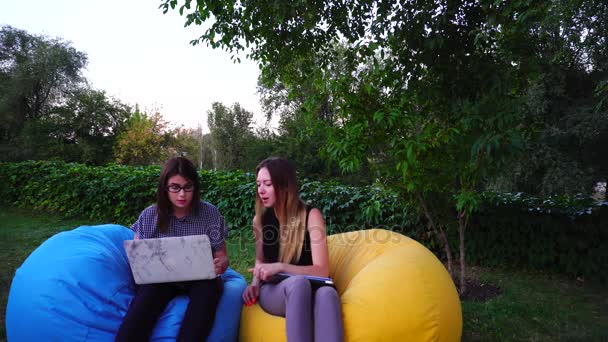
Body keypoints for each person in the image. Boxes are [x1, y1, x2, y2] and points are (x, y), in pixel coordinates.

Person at [116, 157, 229, 342]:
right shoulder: (150, 215)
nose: (182, 194)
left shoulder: (210, 213)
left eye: (188, 187)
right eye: (175, 187)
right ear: (165, 188)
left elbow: (222, 256)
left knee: (209, 291)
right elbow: (139, 258)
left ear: (195, 187)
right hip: (160, 279)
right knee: (144, 303)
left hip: (200, 279)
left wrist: (222, 263)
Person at [242, 157, 344, 342]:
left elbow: (322, 271)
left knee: (328, 294)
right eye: (258, 184)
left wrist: (281, 266)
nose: (261, 190)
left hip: (313, 287)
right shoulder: (260, 221)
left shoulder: (311, 215)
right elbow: (260, 260)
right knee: (298, 284)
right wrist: (255, 283)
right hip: (275, 290)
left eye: (267, 184)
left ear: (284, 186)